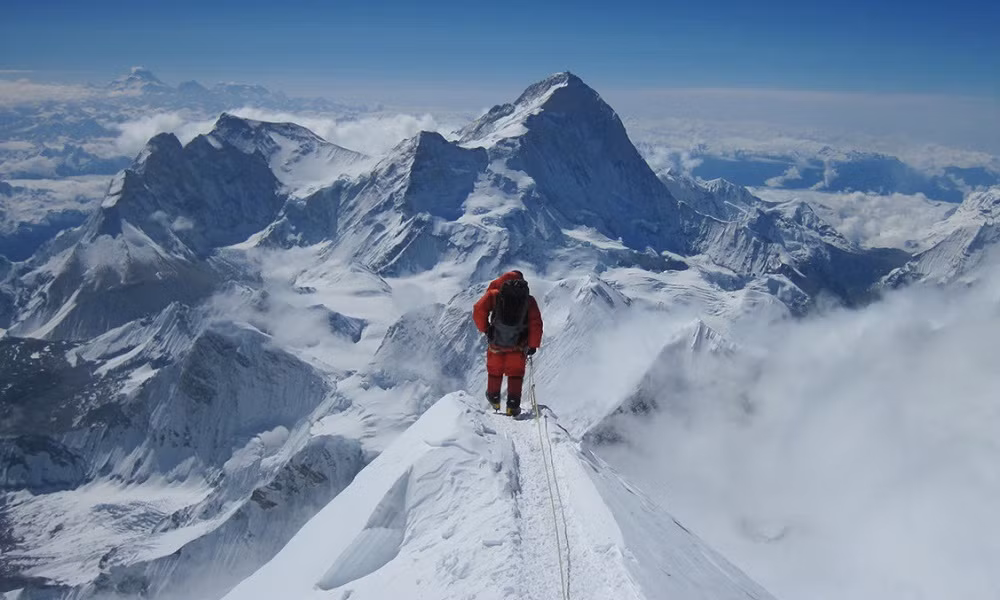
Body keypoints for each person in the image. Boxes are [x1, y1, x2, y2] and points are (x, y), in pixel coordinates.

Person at [473, 271, 543, 416]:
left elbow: (478, 310)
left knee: (494, 372)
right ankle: (512, 406)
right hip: (518, 346)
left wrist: (485, 329)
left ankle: (494, 400)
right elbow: (536, 323)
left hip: (496, 345)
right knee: (515, 375)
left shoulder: (494, 295)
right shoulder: (528, 300)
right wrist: (533, 345)